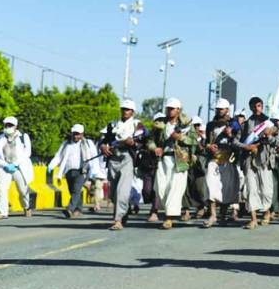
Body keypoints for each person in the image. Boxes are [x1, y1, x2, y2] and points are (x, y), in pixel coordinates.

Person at [145, 98, 198, 230]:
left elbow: (194, 141)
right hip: (163, 160)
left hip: (180, 160)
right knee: (160, 188)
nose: (170, 110)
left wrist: (180, 137)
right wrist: (154, 148)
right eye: (168, 108)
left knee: (175, 188)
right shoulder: (160, 124)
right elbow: (150, 140)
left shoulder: (186, 124)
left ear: (178, 110)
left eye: (172, 108)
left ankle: (169, 218)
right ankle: (169, 211)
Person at [234, 96, 277, 229]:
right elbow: (235, 142)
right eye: (253, 106)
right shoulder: (245, 124)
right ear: (250, 107)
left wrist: (268, 136)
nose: (256, 108)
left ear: (262, 106)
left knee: (266, 190)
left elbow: (276, 142)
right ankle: (253, 219)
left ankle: (266, 212)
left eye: (258, 105)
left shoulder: (270, 123)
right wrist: (246, 147)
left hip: (264, 160)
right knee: (251, 189)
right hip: (249, 160)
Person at [100, 99, 144, 230]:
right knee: (113, 192)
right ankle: (123, 212)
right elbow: (103, 139)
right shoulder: (112, 125)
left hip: (127, 158)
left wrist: (134, 143)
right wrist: (103, 146)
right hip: (113, 159)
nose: (125, 112)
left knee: (122, 190)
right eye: (123, 109)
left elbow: (143, 140)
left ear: (133, 112)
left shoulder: (138, 125)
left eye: (128, 109)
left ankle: (117, 220)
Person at [203, 98, 240, 227]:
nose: (219, 111)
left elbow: (239, 141)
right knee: (211, 185)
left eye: (222, 109)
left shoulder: (234, 124)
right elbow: (206, 141)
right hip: (214, 159)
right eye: (217, 109)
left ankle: (223, 214)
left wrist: (230, 136)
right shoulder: (211, 125)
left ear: (227, 110)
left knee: (225, 188)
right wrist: (208, 146)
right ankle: (213, 215)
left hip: (229, 159)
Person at [48, 124, 98, 218]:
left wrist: (94, 171)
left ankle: (69, 208)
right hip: (69, 171)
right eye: (74, 134)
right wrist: (51, 165)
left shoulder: (87, 143)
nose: (76, 136)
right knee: (73, 191)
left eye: (78, 134)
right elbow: (58, 156)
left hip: (82, 171)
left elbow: (93, 157)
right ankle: (78, 209)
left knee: (76, 189)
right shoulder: (66, 144)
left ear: (82, 134)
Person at [0, 116, 35, 219]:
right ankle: (2, 212)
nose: (8, 127)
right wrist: (5, 165)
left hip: (19, 167)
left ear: (16, 126)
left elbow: (27, 152)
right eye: (6, 125)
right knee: (1, 188)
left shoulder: (23, 137)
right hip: (5, 167)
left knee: (22, 190)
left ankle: (26, 207)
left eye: (10, 125)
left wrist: (16, 163)